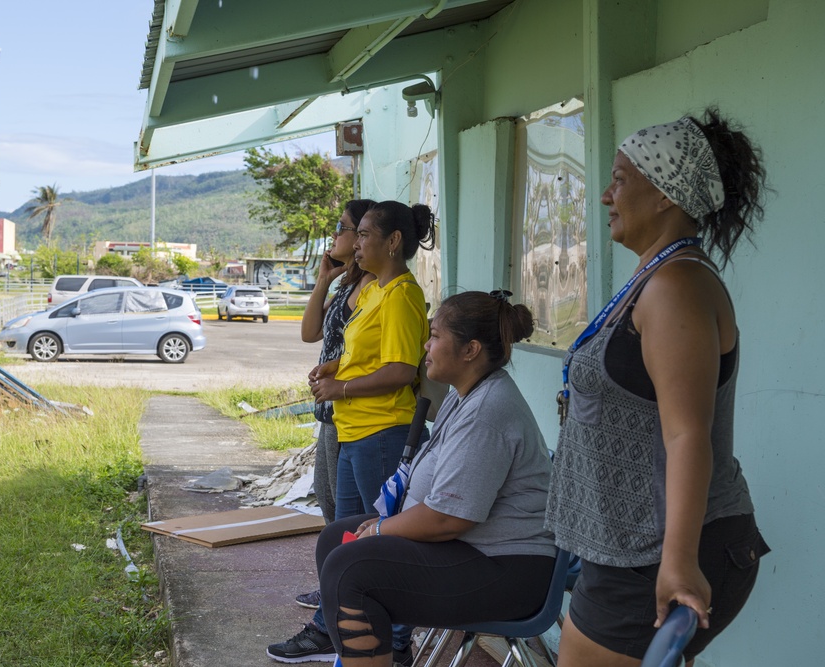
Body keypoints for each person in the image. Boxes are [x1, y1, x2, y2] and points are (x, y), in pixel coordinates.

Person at [545, 108, 771, 667]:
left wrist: (678, 561)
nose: (605, 195)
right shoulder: (656, 277)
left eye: (620, 179)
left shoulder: (676, 286)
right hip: (631, 547)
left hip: (658, 551)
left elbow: (687, 435)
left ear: (665, 194)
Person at [273, 291, 556, 667]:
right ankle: (373, 654)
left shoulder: (488, 411)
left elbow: (447, 518)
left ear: (470, 349)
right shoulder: (464, 395)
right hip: (471, 548)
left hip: (507, 569)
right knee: (334, 540)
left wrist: (380, 530)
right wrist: (383, 525)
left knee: (350, 570)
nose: (426, 344)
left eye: (436, 336)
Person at [268, 201, 435, 664]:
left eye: (363, 234)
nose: (355, 244)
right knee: (347, 542)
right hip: (355, 428)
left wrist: (340, 385)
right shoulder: (375, 291)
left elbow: (401, 369)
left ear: (393, 241)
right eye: (355, 234)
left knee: (381, 544)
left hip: (383, 429)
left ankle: (393, 643)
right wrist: (335, 365)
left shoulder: (401, 293)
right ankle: (337, 630)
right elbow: (370, 353)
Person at [295, 198, 376, 610]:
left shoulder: (374, 288)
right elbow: (310, 333)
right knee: (329, 501)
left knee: (349, 510)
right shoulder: (346, 284)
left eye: (345, 228)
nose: (337, 235)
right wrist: (323, 280)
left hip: (352, 409)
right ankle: (336, 588)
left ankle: (344, 592)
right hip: (330, 410)